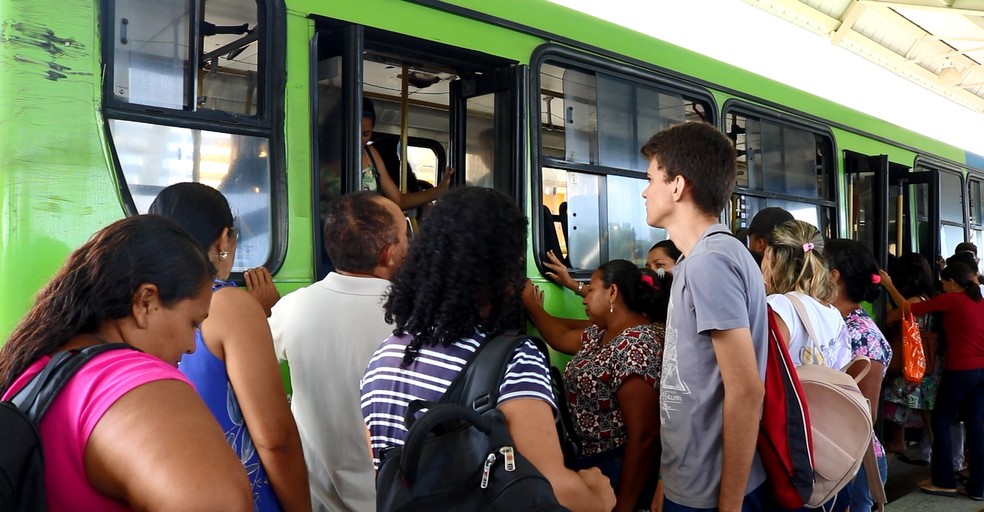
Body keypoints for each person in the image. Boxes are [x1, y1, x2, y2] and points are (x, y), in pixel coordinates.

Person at [360, 187, 615, 512]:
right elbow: (553, 489)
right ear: (505, 271)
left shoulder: (383, 356)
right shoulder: (515, 360)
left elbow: (384, 471)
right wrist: (596, 493)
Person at [0, 215, 254, 511]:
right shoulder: (128, 380)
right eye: (193, 323)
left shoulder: (34, 368)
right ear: (145, 301)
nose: (190, 345)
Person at [149, 183, 310, 512]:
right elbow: (275, 439)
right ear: (223, 239)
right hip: (237, 494)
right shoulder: (230, 305)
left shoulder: (141, 305)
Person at [640, 121, 770, 511]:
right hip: (693, 478)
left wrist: (728, 504)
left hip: (713, 492)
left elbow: (746, 391)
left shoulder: (710, 262)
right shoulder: (704, 258)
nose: (645, 191)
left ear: (677, 186)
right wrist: (669, 476)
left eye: (651, 179)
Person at [269, 192, 409, 512]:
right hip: (394, 498)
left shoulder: (293, 308)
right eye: (405, 237)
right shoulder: (416, 316)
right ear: (388, 254)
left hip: (315, 497)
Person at [523, 261, 668, 512]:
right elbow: (559, 336)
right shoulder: (602, 334)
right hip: (592, 461)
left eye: (590, 290)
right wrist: (532, 307)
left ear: (612, 292)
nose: (584, 298)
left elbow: (644, 437)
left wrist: (624, 506)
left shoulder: (635, 345)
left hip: (618, 464)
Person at [889, 261, 984, 500]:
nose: (941, 287)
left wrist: (889, 285)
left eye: (943, 283)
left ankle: (944, 480)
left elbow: (907, 309)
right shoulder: (980, 303)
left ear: (952, 283)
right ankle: (978, 487)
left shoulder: (952, 300)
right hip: (981, 373)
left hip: (960, 371)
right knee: (976, 428)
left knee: (940, 421)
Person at [824, 239, 893, 511]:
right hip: (837, 457)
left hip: (854, 463)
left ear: (834, 276)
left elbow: (865, 415)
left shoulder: (862, 333)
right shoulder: (833, 320)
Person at [761, 220, 852, 370]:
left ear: (773, 258)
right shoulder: (834, 314)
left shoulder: (780, 306)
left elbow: (770, 373)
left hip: (792, 394)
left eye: (765, 255)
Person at [878, 254, 939, 461]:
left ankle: (899, 442)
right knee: (929, 419)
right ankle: (937, 464)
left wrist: (887, 287)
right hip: (926, 364)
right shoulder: (929, 297)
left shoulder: (915, 300)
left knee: (890, 396)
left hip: (912, 362)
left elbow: (896, 314)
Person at [361, 98, 454, 210]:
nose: (359, 139)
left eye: (365, 134)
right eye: (354, 132)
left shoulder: (371, 155)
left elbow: (399, 200)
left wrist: (438, 190)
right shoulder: (334, 152)